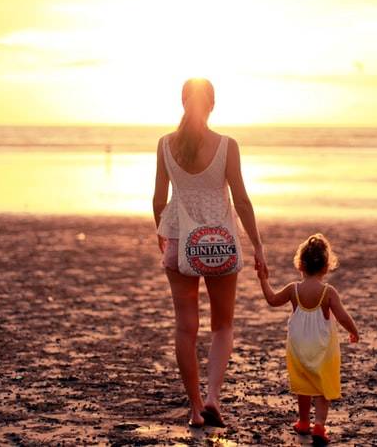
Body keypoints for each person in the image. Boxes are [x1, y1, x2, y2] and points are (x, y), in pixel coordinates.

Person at [153, 78, 268, 428]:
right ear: (213, 105)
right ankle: (214, 398)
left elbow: (159, 198)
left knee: (185, 328)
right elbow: (242, 199)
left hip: (178, 240)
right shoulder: (227, 145)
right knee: (223, 324)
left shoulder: (164, 145)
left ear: (182, 101)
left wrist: (163, 232)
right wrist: (258, 244)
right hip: (220, 244)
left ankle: (194, 408)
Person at [257, 233, 358, 444]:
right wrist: (354, 331)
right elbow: (343, 316)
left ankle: (303, 422)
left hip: (298, 347)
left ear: (300, 265)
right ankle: (319, 425)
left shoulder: (293, 289)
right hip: (323, 349)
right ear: (325, 267)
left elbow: (272, 299)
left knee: (303, 385)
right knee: (322, 388)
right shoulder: (328, 292)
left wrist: (263, 279)